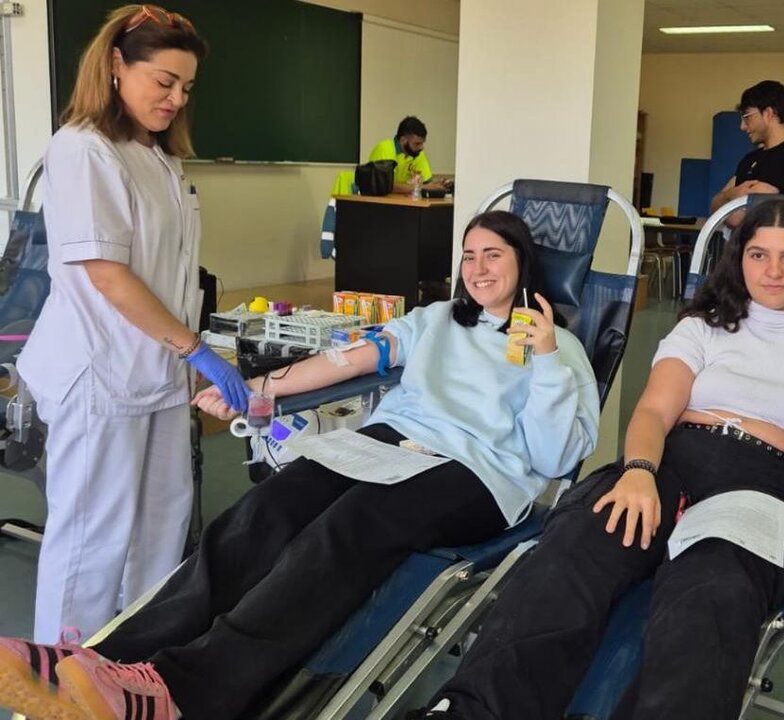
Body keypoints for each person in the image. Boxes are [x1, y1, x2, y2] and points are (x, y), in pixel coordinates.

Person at [0, 210, 600, 720]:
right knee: (267, 507)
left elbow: (554, 457)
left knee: (348, 528)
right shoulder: (435, 320)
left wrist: (545, 360)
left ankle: (181, 690)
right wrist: (258, 389)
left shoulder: (561, 349)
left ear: (523, 264)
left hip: (476, 471)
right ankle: (103, 662)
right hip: (393, 442)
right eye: (468, 255)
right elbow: (348, 362)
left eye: (493, 255)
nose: (477, 269)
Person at [413, 200, 784, 720]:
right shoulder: (702, 327)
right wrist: (638, 473)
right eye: (759, 254)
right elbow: (652, 411)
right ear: (739, 259)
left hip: (764, 486)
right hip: (670, 461)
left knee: (709, 594)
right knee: (573, 550)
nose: (774, 270)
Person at [11, 4, 248, 646]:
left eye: (186, 88)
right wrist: (198, 349)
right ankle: (59, 690)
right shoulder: (83, 149)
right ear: (117, 64)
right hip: (102, 374)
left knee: (158, 533)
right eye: (163, 81)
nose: (175, 99)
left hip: (159, 373)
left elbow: (169, 271)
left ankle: (130, 667)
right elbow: (108, 275)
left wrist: (195, 349)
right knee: (91, 540)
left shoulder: (160, 158)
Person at [708, 81, 784, 226]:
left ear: (768, 113)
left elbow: (738, 218)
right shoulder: (751, 158)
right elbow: (714, 205)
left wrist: (727, 199)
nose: (742, 126)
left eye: (747, 117)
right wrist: (730, 194)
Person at [369, 115, 450, 195]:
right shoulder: (385, 149)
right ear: (403, 140)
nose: (422, 147)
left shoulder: (417, 153)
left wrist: (438, 185)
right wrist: (422, 187)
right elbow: (386, 187)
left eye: (422, 143)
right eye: (417, 143)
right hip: (363, 199)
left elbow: (426, 183)